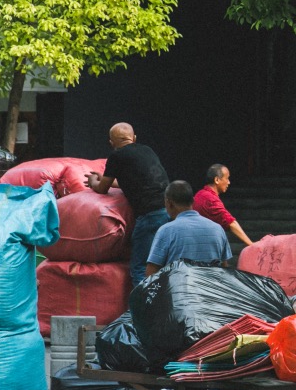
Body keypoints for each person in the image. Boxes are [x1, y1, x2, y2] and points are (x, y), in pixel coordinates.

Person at [85, 122, 171, 286]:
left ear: (111, 143)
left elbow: (103, 189)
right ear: (134, 138)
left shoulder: (116, 157)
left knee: (140, 268)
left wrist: (94, 181)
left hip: (149, 215)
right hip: (168, 211)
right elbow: (135, 181)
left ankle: (142, 310)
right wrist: (104, 180)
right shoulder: (147, 150)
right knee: (161, 265)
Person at [144, 180, 233, 276]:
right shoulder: (218, 229)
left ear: (169, 203)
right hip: (209, 290)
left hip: (178, 290)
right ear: (193, 201)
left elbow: (151, 276)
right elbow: (224, 270)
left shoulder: (165, 231)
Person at [194, 164, 254, 248]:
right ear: (217, 180)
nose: (229, 182)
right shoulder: (211, 199)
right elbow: (231, 222)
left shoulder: (199, 194)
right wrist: (251, 244)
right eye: (227, 178)